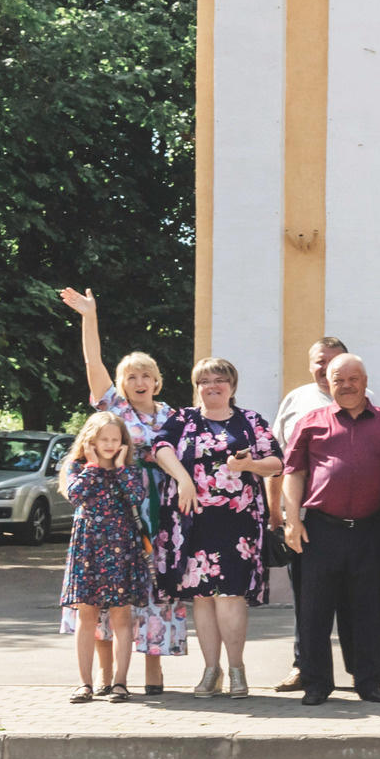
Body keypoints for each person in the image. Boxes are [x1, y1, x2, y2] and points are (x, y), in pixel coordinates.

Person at [55, 287, 188, 690]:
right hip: (114, 510)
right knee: (103, 593)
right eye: (131, 375)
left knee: (155, 586)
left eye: (146, 374)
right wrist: (89, 316)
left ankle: (153, 668)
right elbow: (92, 360)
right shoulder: (113, 409)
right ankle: (104, 673)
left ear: (158, 381)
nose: (139, 380)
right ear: (121, 382)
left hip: (160, 509)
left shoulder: (174, 416)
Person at [280, 352, 380, 705]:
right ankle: (316, 683)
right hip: (321, 530)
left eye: (352, 378)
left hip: (372, 530)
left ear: (365, 381)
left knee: (369, 609)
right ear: (329, 382)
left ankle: (369, 681)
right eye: (338, 379)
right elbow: (293, 472)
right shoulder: (312, 421)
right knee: (314, 610)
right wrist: (292, 520)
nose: (345, 385)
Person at [154, 357, 282, 696]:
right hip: (192, 520)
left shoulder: (249, 421)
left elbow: (277, 462)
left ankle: (237, 669)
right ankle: (212, 670)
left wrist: (250, 464)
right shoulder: (182, 419)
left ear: (232, 386)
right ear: (197, 388)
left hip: (237, 522)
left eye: (220, 380)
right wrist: (184, 479)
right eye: (205, 381)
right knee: (202, 598)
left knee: (230, 595)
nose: (213, 386)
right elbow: (160, 448)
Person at [268, 334, 347, 692]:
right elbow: (278, 461)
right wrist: (276, 512)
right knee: (308, 599)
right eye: (319, 360)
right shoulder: (296, 400)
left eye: (333, 360)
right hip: (304, 517)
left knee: (350, 600)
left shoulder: (365, 400)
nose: (325, 367)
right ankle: (305, 667)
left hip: (354, 521)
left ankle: (358, 668)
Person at [62, 412, 156, 703]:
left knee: (121, 617)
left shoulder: (127, 469)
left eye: (116, 439)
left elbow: (135, 497)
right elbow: (75, 496)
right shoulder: (77, 466)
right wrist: (92, 467)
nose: (110, 444)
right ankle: (84, 684)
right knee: (86, 615)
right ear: (90, 439)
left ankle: (120, 683)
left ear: (123, 443)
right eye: (104, 439)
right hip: (88, 546)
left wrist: (118, 467)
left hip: (121, 546)